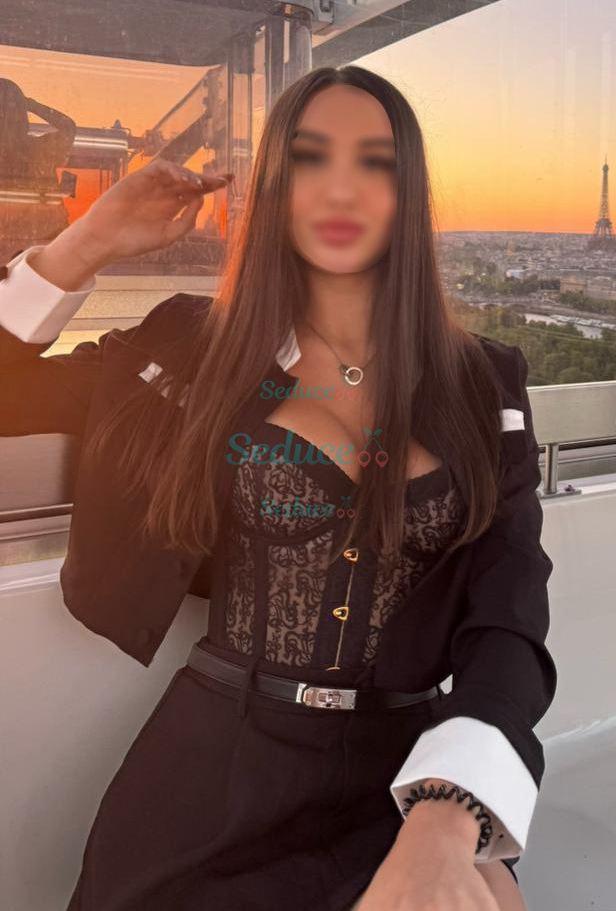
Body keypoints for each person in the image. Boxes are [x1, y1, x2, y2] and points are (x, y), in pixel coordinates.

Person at [0, 65, 557, 910]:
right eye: (309, 158)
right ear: (272, 189)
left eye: (374, 161)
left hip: (407, 780)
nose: (340, 187)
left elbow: (510, 618)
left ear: (408, 192)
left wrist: (449, 812)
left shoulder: (484, 383)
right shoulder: (190, 349)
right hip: (212, 781)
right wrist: (87, 243)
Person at [0, 78, 77, 261]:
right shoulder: (41, 149)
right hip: (44, 243)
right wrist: (30, 104)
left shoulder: (39, 149)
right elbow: (69, 127)